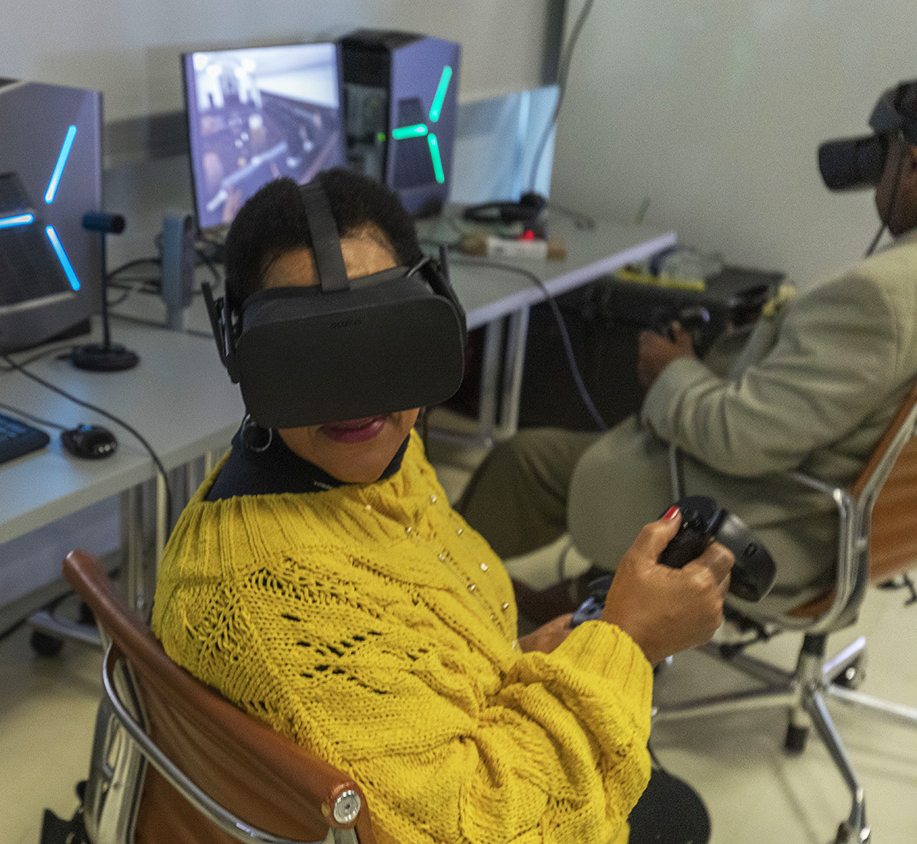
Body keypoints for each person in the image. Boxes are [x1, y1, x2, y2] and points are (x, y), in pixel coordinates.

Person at [152, 168, 734, 844]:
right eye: (308, 357)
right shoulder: (269, 596)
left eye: (388, 341)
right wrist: (628, 641)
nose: (359, 397)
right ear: (245, 355)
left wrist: (531, 656)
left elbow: (416, 651)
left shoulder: (373, 464)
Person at [456, 79, 917, 622]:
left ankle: (433, 595)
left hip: (770, 528)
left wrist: (672, 372)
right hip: (858, 529)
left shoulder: (875, 296)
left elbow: (742, 439)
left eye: (882, 158)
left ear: (911, 166)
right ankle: (590, 603)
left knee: (527, 461)